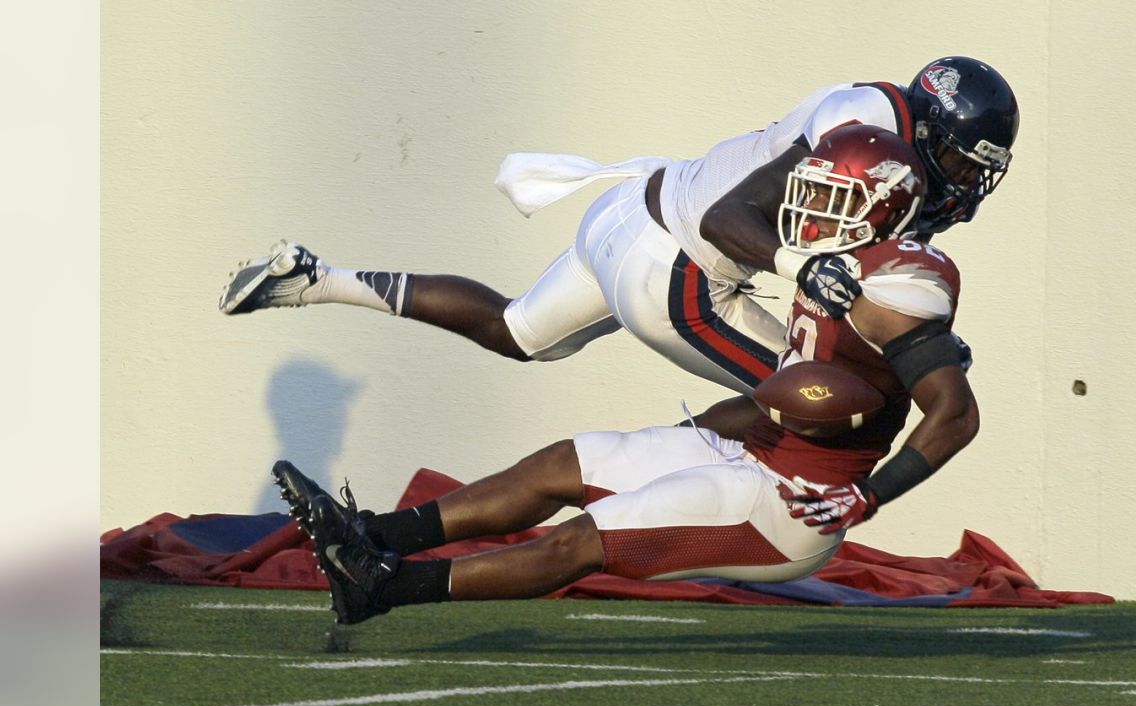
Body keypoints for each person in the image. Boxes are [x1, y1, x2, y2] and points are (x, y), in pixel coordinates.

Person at [271, 126, 980, 625]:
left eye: (833, 198)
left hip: (793, 502)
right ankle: (375, 536)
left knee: (581, 540)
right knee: (559, 465)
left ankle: (385, 587)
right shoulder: (832, 258)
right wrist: (695, 434)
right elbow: (745, 250)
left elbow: (955, 414)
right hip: (755, 448)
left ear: (879, 207)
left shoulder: (898, 290)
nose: (811, 209)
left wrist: (867, 496)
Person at [219, 56, 1016, 395]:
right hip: (682, 261)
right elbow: (730, 215)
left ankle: (314, 281)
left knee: (516, 331)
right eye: (971, 158)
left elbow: (859, 268)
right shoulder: (863, 128)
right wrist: (798, 270)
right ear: (937, 130)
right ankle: (637, 502)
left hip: (633, 211)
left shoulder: (895, 143)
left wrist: (920, 341)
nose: (975, 180)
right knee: (817, 402)